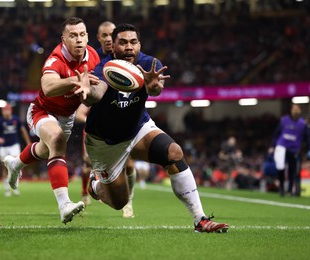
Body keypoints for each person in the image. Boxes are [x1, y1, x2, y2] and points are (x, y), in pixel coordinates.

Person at [81, 23, 229, 232]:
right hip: (105, 143)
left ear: (140, 44)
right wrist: (87, 91)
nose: (129, 47)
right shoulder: (103, 67)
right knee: (119, 203)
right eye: (122, 42)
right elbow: (95, 94)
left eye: (133, 42)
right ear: (113, 46)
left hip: (137, 129)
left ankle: (200, 219)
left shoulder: (150, 64)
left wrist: (153, 87)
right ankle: (96, 186)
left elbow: (156, 89)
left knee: (174, 153)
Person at [0, 17, 101, 224]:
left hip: (67, 117)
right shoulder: (56, 59)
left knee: (46, 149)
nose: (79, 40)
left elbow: (96, 89)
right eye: (73, 36)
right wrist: (75, 79)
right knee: (56, 139)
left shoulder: (93, 56)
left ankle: (15, 164)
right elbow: (47, 86)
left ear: (88, 37)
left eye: (82, 35)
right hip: (42, 111)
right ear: (63, 39)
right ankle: (64, 205)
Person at [76, 21, 136, 218]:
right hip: (98, 122)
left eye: (112, 34)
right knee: (87, 163)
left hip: (123, 116)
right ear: (99, 37)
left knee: (129, 165)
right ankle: (87, 192)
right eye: (105, 35)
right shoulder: (93, 61)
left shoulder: (125, 58)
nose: (109, 38)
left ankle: (129, 201)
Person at [269, 104, 310, 197]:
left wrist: (308, 149)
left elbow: (307, 137)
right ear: (291, 110)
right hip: (282, 146)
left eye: (297, 109)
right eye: (294, 109)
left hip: (294, 149)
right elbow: (276, 133)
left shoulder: (303, 124)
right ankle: (282, 188)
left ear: (300, 111)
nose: (296, 111)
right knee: (280, 167)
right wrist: (272, 146)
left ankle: (290, 189)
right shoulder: (284, 120)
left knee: (293, 170)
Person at [0, 104, 32, 197]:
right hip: (3, 147)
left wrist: (28, 143)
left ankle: (15, 188)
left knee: (15, 165)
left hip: (14, 145)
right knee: (5, 168)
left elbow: (23, 131)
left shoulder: (16, 120)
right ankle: (7, 189)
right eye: (3, 110)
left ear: (10, 110)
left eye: (7, 110)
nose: (5, 112)